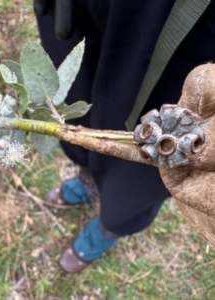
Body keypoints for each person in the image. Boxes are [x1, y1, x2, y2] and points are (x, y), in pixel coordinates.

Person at [35, 0, 215, 272]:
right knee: (75, 103)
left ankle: (109, 228)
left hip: (189, 26)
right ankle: (88, 179)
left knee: (144, 167)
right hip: (81, 9)